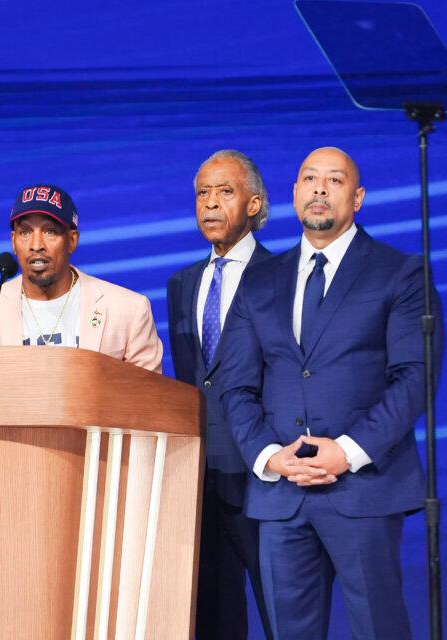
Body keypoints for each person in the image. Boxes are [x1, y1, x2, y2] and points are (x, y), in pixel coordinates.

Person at [220, 147, 433, 639]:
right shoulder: (260, 281)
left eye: (334, 181)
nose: (319, 189)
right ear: (294, 194)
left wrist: (348, 451)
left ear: (356, 198)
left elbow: (413, 377)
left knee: (378, 629)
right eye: (309, 179)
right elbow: (237, 385)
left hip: (364, 488)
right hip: (281, 494)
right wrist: (270, 456)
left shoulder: (398, 272)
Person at [167, 150, 273, 640]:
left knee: (282, 612)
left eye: (224, 192)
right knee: (211, 619)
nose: (210, 204)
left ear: (253, 203)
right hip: (199, 480)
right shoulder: (182, 283)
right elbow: (194, 379)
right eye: (202, 193)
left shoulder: (284, 277)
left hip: (264, 477)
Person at [0, 183, 162, 372]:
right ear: (13, 242)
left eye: (50, 231)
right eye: (25, 232)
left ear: (72, 240)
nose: (36, 245)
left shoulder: (128, 310)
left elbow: (149, 399)